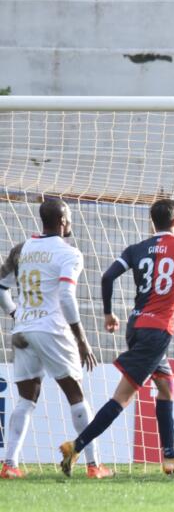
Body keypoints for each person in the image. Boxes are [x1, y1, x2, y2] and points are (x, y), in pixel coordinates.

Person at [59, 198, 174, 477]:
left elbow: (108, 277)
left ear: (152, 221)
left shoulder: (137, 249)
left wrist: (108, 314)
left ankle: (170, 457)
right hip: (156, 333)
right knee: (123, 397)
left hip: (136, 326)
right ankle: (76, 445)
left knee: (168, 387)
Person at [0, 198, 110, 479]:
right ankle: (93, 465)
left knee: (26, 400)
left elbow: (1, 286)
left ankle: (9, 464)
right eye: (69, 216)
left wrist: (15, 314)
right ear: (63, 221)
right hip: (52, 330)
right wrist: (82, 339)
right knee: (75, 395)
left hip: (23, 331)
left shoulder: (22, 249)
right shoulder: (69, 253)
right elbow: (65, 296)